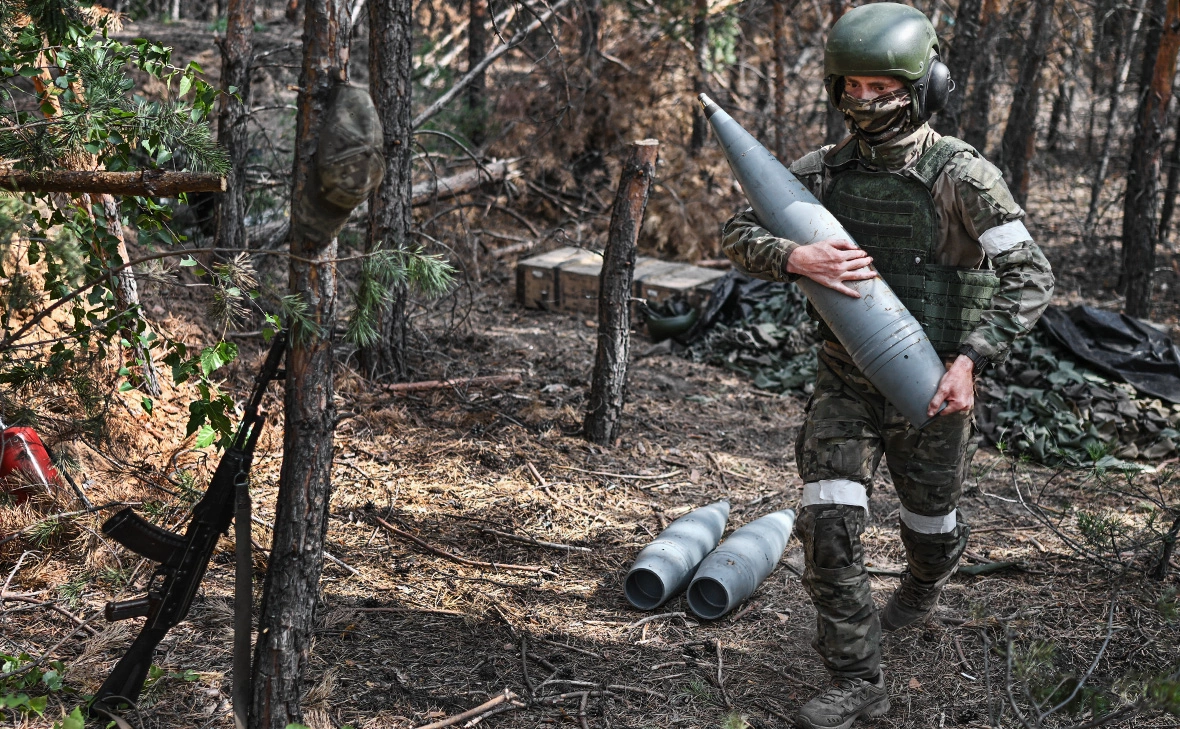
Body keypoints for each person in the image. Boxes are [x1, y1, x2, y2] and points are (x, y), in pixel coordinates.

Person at [720, 4, 1055, 728]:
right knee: (828, 522)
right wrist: (792, 255)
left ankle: (929, 577)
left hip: (934, 388)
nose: (865, 102)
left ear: (924, 85)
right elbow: (737, 228)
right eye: (853, 87)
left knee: (929, 529)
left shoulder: (962, 177)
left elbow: (1031, 276)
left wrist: (971, 359)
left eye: (884, 87)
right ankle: (858, 678)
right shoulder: (824, 173)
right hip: (845, 379)